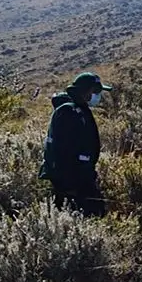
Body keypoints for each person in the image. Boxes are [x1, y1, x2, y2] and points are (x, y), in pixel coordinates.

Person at [39, 72, 112, 217]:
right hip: (72, 181)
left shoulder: (79, 111)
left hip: (80, 178)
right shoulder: (68, 112)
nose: (98, 96)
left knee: (91, 214)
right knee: (86, 215)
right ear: (84, 92)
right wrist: (70, 184)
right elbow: (61, 151)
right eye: (95, 91)